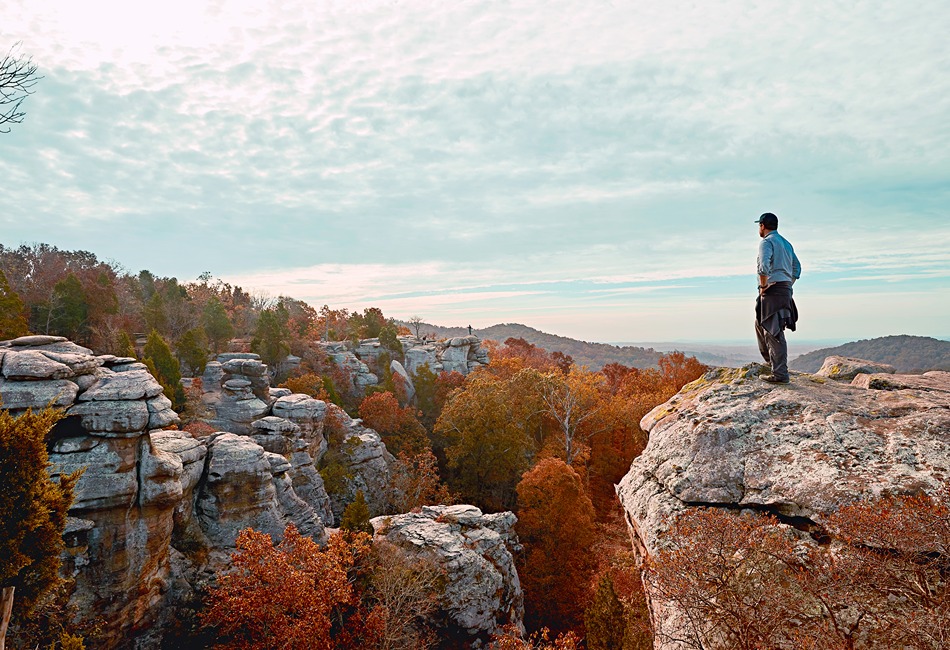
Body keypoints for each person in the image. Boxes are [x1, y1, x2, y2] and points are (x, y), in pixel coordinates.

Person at [754, 213, 801, 383]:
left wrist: (763, 286)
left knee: (773, 330)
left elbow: (763, 266)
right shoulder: (786, 244)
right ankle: (771, 363)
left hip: (772, 290)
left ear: (762, 226)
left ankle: (780, 374)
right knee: (760, 323)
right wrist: (788, 284)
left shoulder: (766, 242)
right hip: (784, 289)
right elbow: (797, 268)